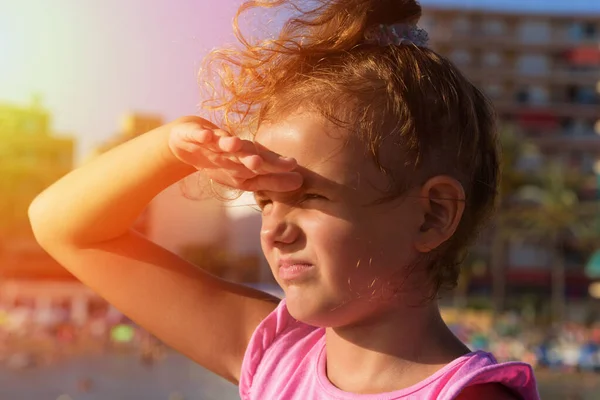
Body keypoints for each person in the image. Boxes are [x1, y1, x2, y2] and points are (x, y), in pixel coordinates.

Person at [28, 0, 539, 398]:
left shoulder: (467, 395)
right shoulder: (276, 354)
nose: (275, 230)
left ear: (432, 215)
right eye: (266, 201)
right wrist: (175, 146)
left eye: (311, 195)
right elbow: (62, 225)